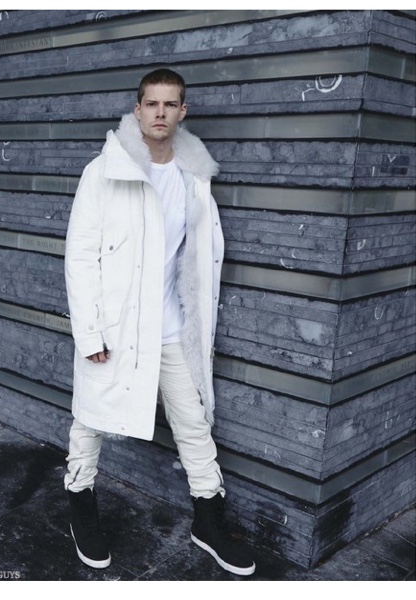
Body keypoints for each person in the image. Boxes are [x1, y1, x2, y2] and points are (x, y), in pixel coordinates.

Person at [63, 68, 255, 577]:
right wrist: (89, 331)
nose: (161, 113)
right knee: (91, 419)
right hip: (116, 327)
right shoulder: (104, 172)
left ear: (182, 111)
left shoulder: (195, 178)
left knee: (194, 423)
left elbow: (199, 258)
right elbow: (79, 256)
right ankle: (81, 503)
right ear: (138, 109)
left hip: (171, 329)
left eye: (171, 104)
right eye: (152, 104)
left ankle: (208, 520)